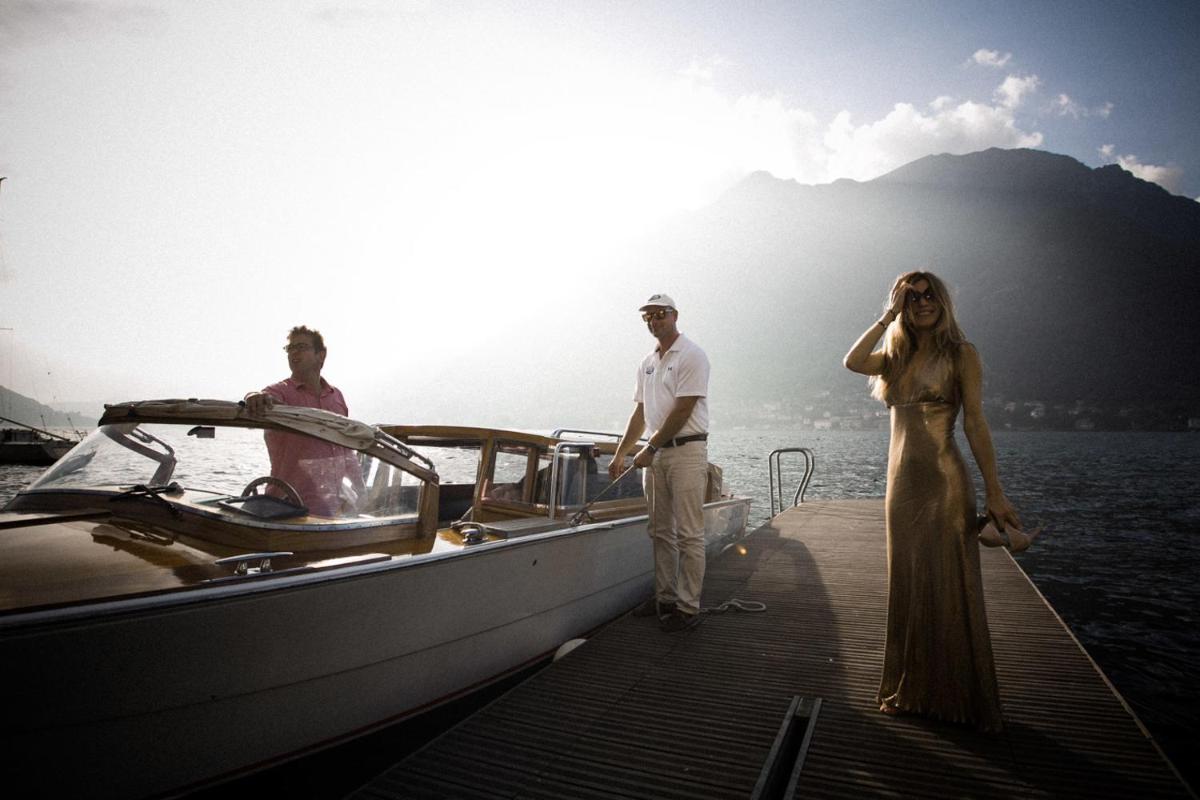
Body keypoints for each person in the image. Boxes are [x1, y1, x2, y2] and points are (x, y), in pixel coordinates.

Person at [843, 270, 1029, 732]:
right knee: (907, 582)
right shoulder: (895, 355)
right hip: (900, 485)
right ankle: (913, 692)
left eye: (929, 295)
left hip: (944, 483)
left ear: (943, 302)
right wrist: (888, 313)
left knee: (949, 582)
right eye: (912, 297)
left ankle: (960, 698)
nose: (922, 303)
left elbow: (976, 425)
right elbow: (851, 360)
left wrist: (995, 490)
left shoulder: (962, 354)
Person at [610, 293, 711, 633]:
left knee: (689, 533)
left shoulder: (693, 355)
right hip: (656, 455)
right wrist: (622, 451)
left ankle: (687, 607)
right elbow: (640, 412)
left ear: (675, 315)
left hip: (685, 452)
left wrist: (651, 446)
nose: (654, 321)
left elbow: (683, 408)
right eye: (648, 317)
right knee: (660, 531)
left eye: (660, 314)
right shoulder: (647, 362)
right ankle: (664, 599)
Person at [243, 325, 362, 517]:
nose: (293, 353)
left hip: (330, 509)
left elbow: (346, 449)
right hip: (287, 508)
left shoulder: (336, 396)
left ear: (321, 355)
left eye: (301, 347)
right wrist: (253, 397)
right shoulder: (280, 392)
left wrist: (362, 494)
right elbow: (258, 397)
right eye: (290, 348)